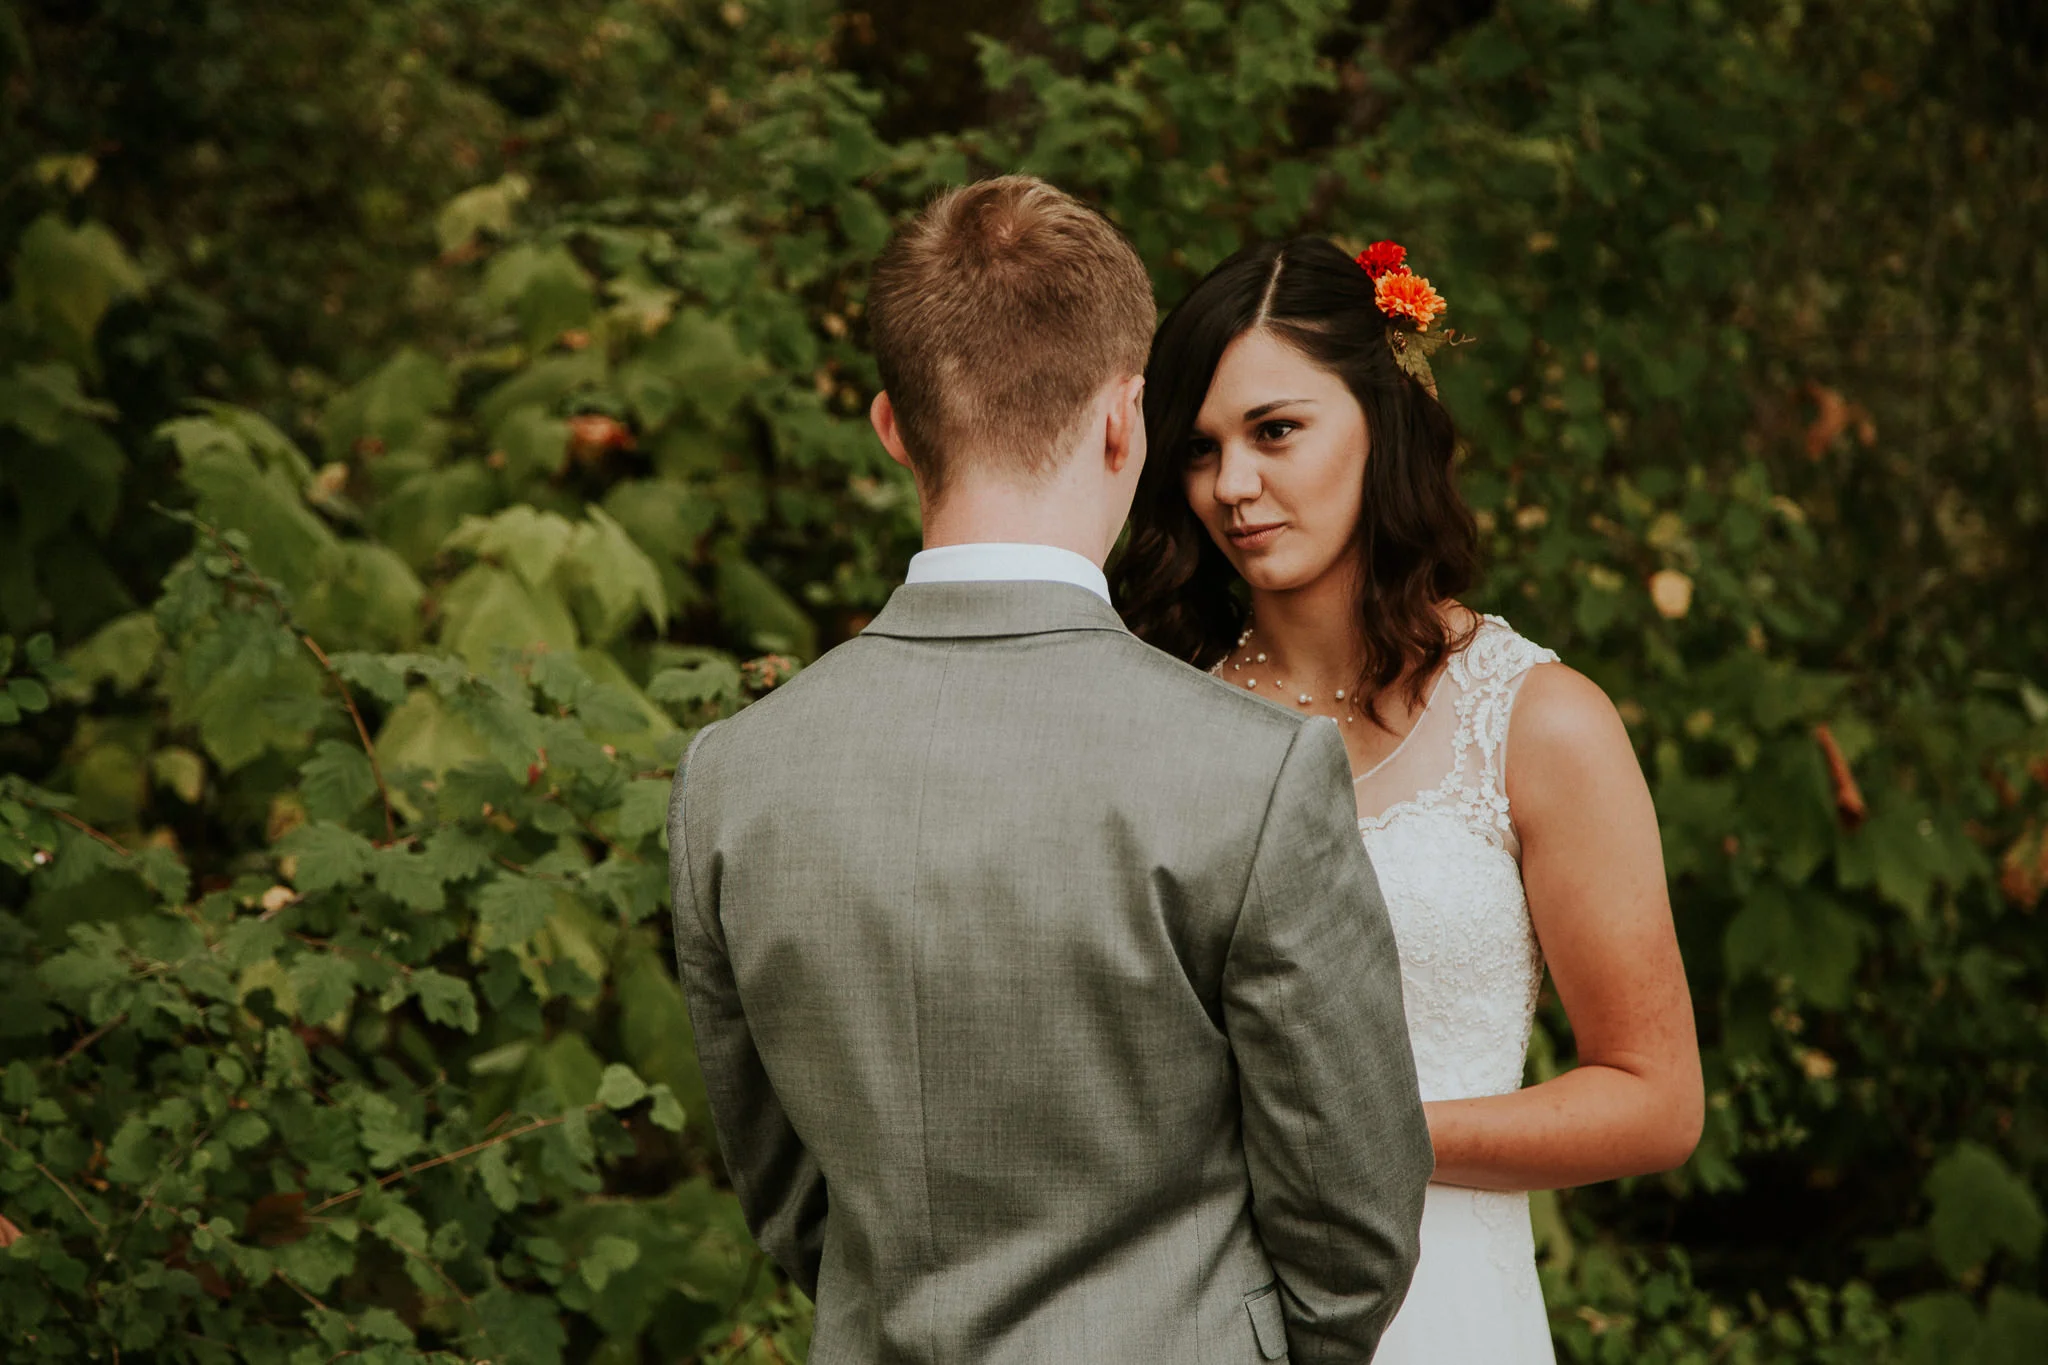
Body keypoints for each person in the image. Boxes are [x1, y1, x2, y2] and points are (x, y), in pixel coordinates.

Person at [667, 181, 1434, 1364]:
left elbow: (783, 1199)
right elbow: (1351, 1232)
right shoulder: (1255, 773)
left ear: (890, 427)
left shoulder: (731, 777)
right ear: (1127, 420)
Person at [1113, 236, 1705, 1364]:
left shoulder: (1538, 721)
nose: (1231, 485)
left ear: (1381, 419)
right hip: (1196, 1313)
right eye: (1198, 449)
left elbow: (1655, 1098)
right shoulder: (1157, 723)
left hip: (1453, 1312)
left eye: (1274, 431)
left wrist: (1354, 1142)